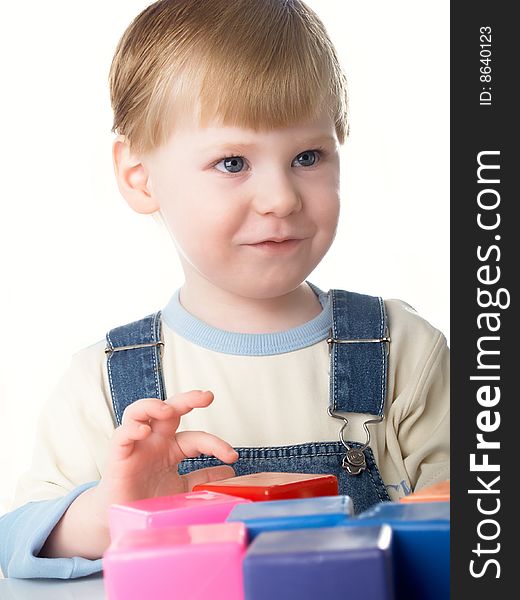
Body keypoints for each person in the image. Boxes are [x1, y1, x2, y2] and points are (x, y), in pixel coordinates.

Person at [0, 0, 449, 580]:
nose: (281, 198)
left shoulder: (400, 352)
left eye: (307, 156)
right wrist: (114, 510)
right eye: (233, 161)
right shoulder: (105, 386)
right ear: (140, 178)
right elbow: (16, 541)